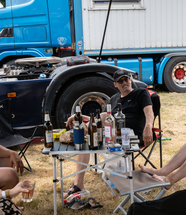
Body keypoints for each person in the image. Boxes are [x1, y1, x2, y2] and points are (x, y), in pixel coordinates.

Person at [63, 69, 154, 197]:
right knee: (86, 139)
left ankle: (122, 182)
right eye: (120, 81)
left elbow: (149, 112)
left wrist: (148, 126)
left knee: (92, 135)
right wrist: (79, 116)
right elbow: (101, 118)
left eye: (126, 79)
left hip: (131, 137)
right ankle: (78, 185)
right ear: (115, 84)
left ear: (130, 80)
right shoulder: (114, 99)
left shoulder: (140, 93)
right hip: (112, 136)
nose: (124, 83)